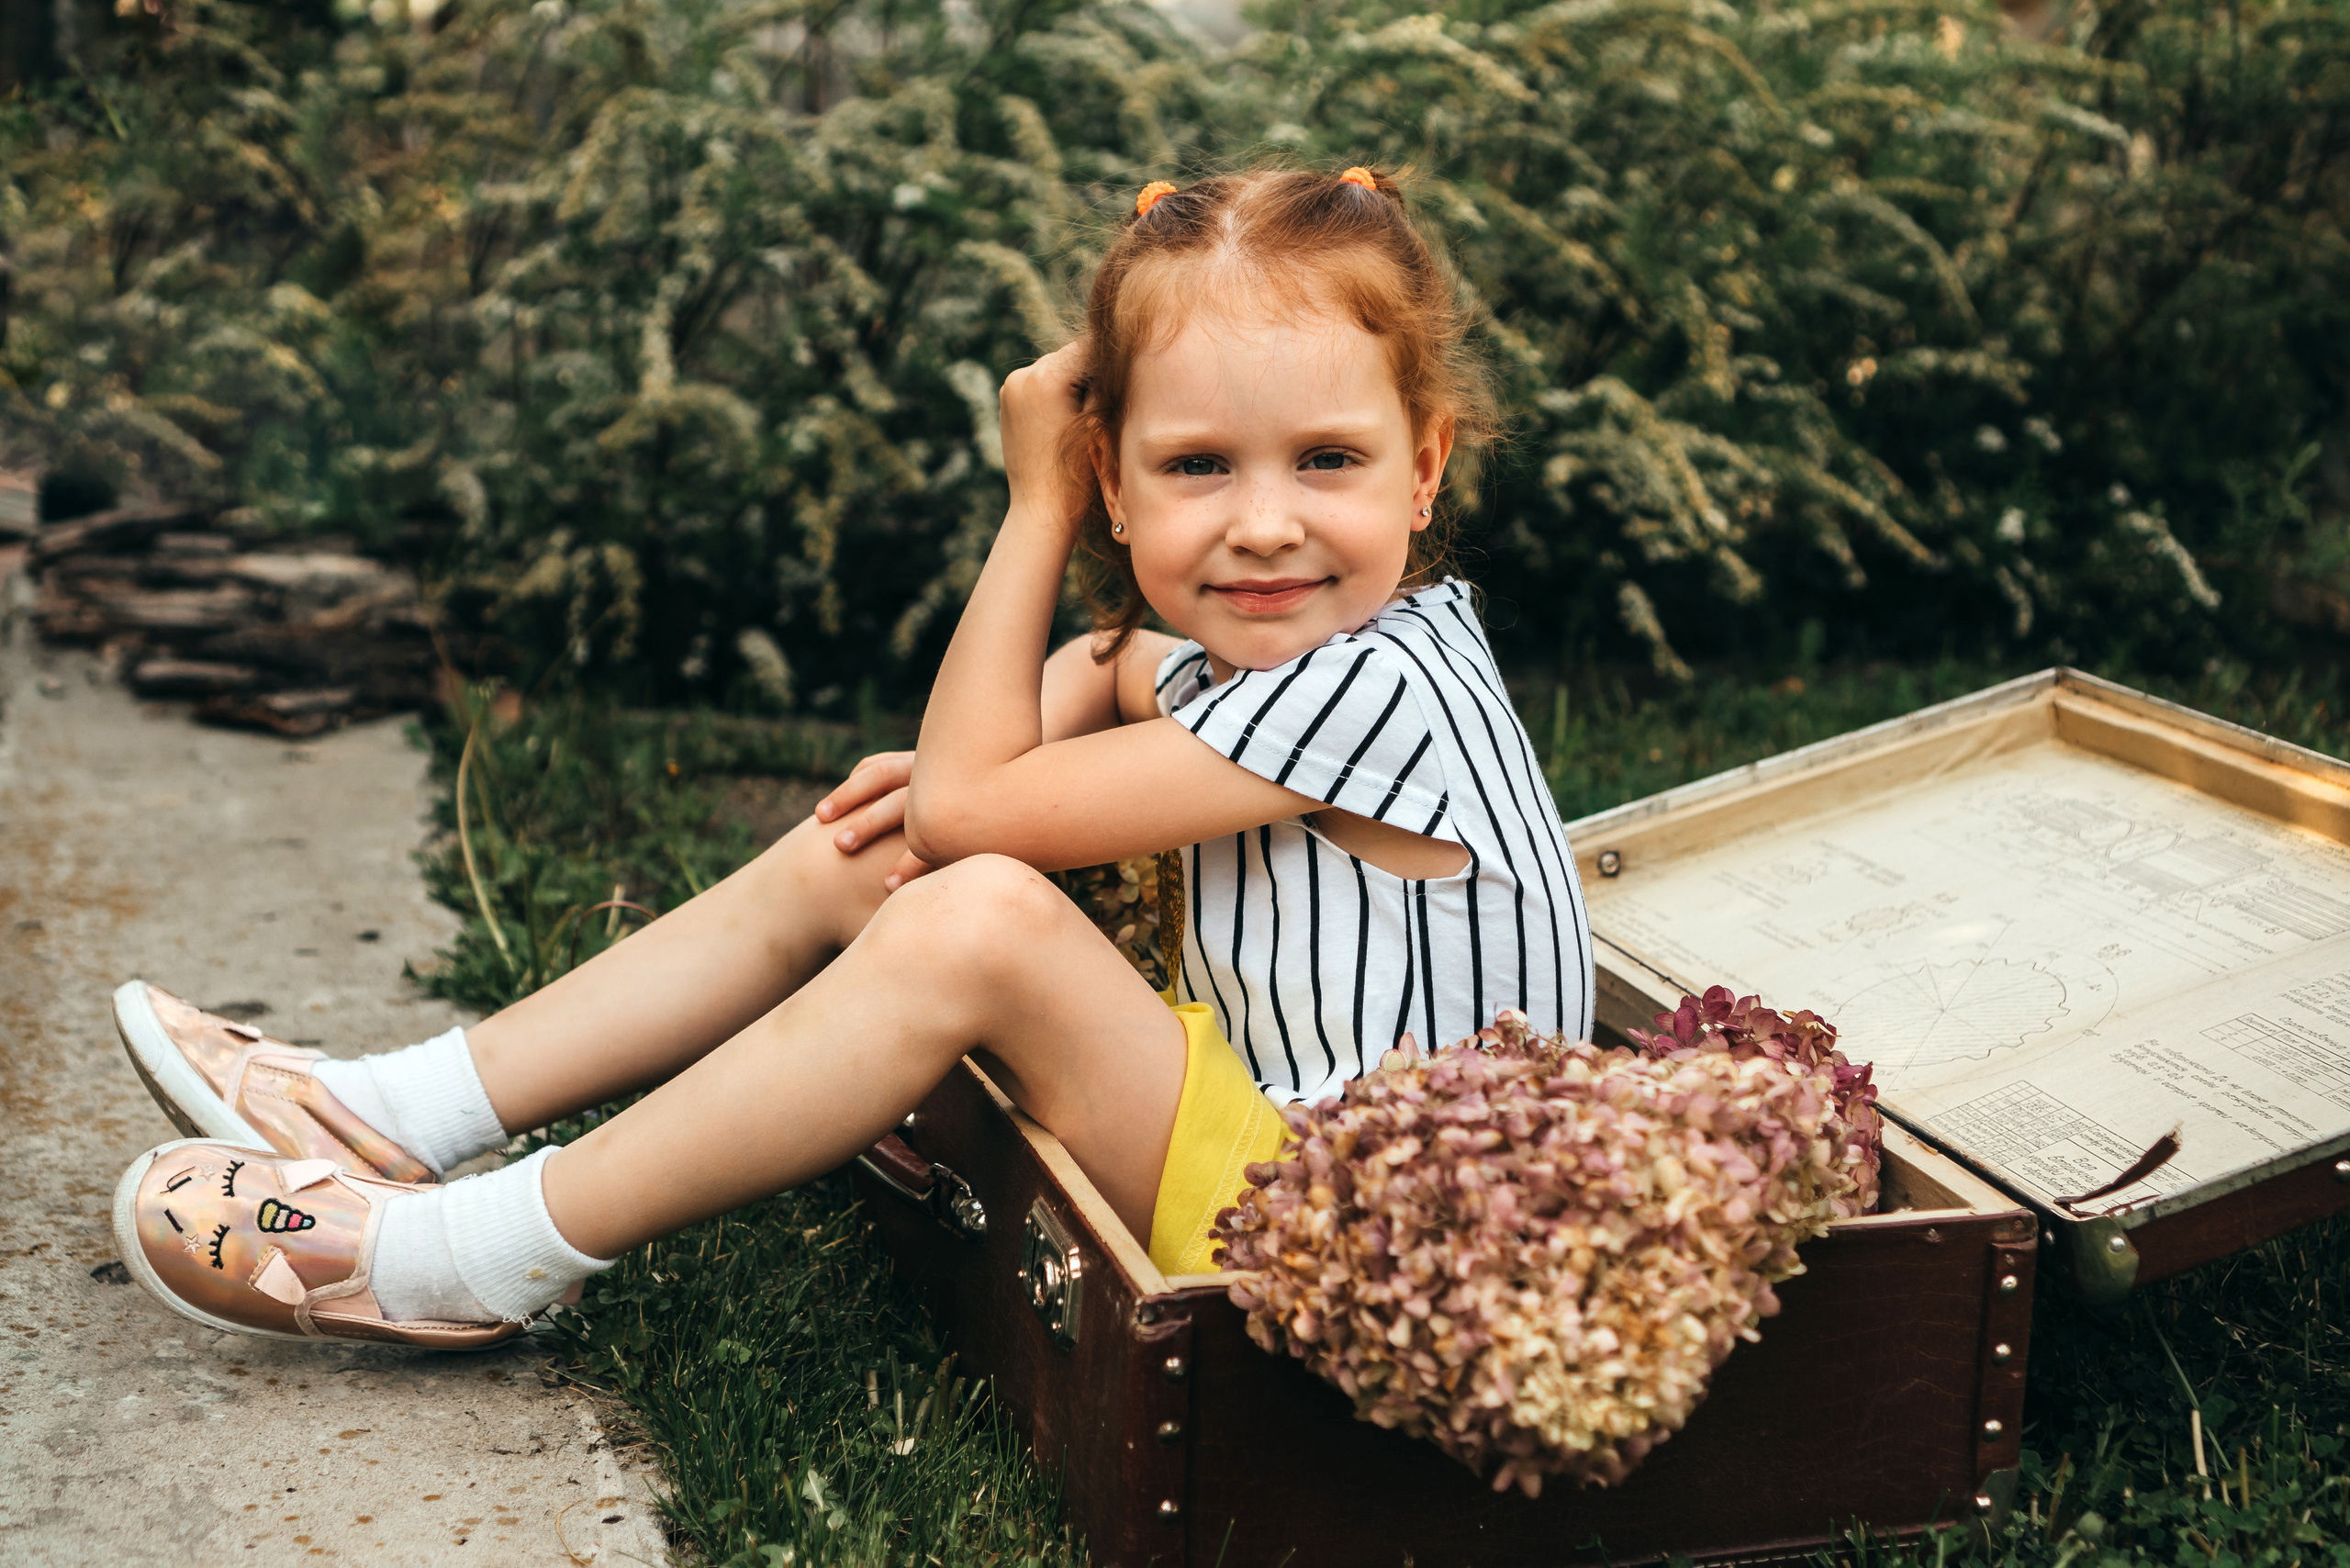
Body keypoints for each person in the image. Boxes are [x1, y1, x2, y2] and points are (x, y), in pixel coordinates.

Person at [109, 164, 1595, 1349]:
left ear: (1426, 467)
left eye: (1324, 461)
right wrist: (1017, 742)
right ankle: (403, 1110)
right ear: (1125, 486)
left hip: (1379, 1243)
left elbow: (973, 812)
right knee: (886, 848)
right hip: (1272, 1142)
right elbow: (1100, 671)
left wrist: (1032, 514)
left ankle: (470, 1261)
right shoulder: (1317, 653)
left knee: (976, 906)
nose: (1263, 521)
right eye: (1198, 464)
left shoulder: (1379, 692)